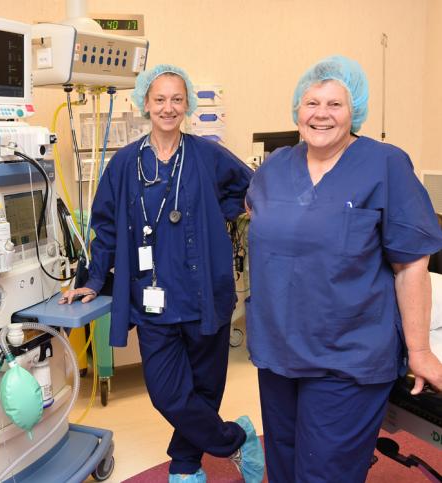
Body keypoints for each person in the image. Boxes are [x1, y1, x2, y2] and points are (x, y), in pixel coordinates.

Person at [60, 64, 264, 483]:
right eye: (159, 99)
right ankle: (234, 440)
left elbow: (252, 188)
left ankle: (186, 466)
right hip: (153, 298)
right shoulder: (124, 164)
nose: (168, 108)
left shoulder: (207, 155)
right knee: (167, 392)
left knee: (205, 388)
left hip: (206, 292)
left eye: (176, 99)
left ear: (186, 103)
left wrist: (228, 211)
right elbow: (106, 226)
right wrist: (93, 280)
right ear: (145, 105)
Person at [245, 55, 442, 483]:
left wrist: (421, 352)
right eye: (312, 102)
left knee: (324, 473)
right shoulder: (276, 167)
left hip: (348, 356)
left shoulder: (385, 164)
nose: (321, 114)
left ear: (356, 113)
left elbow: (411, 263)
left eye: (335, 104)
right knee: (283, 467)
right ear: (297, 108)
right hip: (279, 353)